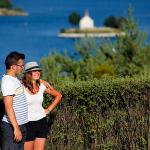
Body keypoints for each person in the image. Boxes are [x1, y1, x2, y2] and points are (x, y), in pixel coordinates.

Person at [22, 61, 62, 150]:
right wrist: (40, 80)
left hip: (41, 122)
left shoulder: (42, 86)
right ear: (28, 73)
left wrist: (48, 109)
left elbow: (58, 95)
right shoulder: (21, 87)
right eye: (34, 71)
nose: (37, 72)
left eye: (38, 70)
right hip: (27, 124)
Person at [0, 51, 28, 150]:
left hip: (19, 125)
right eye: (21, 66)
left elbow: (24, 82)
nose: (23, 68)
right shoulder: (8, 82)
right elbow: (8, 106)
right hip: (11, 127)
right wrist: (16, 128)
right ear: (13, 66)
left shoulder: (14, 79)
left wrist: (40, 81)